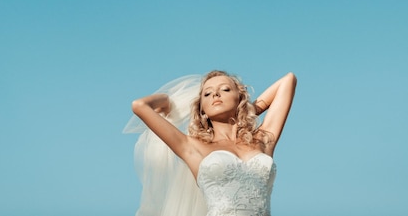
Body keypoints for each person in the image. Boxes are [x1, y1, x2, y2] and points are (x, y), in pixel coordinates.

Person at [125, 70, 297, 216]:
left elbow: (288, 80)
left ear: (239, 97)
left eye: (225, 89)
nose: (215, 94)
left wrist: (247, 110)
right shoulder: (192, 147)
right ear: (202, 109)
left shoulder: (262, 140)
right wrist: (168, 101)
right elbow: (139, 105)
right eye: (207, 93)